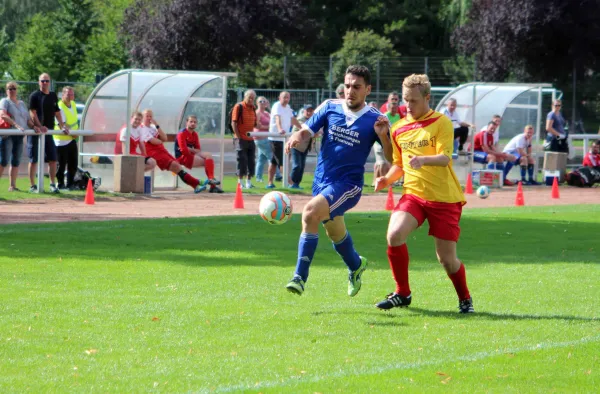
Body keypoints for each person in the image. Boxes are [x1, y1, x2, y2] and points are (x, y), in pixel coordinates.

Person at [283, 65, 393, 297]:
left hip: (349, 186)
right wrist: (296, 135)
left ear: (368, 90)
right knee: (335, 233)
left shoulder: (376, 119)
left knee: (310, 213)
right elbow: (306, 131)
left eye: (356, 87)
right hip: (322, 182)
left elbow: (393, 158)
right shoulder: (330, 107)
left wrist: (383, 136)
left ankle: (299, 277)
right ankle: (356, 266)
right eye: (347, 86)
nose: (350, 91)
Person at [374, 73, 474, 314]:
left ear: (427, 98)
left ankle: (465, 298)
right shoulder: (398, 128)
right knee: (394, 234)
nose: (408, 106)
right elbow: (398, 163)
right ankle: (402, 293)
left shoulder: (442, 122)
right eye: (406, 100)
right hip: (414, 195)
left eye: (414, 101)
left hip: (444, 199)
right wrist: (386, 179)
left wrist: (422, 160)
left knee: (447, 260)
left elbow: (445, 158)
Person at [139, 109, 211, 193]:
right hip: (154, 153)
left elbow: (164, 138)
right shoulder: (142, 128)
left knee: (176, 166)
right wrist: (160, 140)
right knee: (176, 166)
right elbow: (155, 141)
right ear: (142, 117)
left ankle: (195, 185)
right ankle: (197, 182)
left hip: (162, 150)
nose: (149, 118)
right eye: (147, 116)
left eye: (150, 116)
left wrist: (157, 125)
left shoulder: (153, 127)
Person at [28, 73, 68, 193]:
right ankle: (32, 186)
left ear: (49, 82)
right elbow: (32, 113)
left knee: (53, 159)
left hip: (49, 131)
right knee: (33, 159)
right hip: (36, 132)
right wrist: (40, 126)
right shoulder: (34, 96)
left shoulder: (52, 95)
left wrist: (62, 125)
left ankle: (52, 184)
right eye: (42, 81)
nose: (45, 83)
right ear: (38, 82)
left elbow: (57, 112)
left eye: (47, 81)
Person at [0, 82, 39, 191]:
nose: (11, 90)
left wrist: (34, 126)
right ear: (6, 90)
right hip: (8, 134)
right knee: (3, 161)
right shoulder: (4, 101)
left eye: (13, 88)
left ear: (16, 90)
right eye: (9, 88)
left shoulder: (21, 103)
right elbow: (3, 115)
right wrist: (16, 125)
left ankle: (12, 186)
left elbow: (27, 119)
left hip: (19, 135)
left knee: (16, 160)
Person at [175, 115, 223, 193]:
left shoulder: (195, 134)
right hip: (182, 157)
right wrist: (192, 150)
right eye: (191, 122)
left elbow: (198, 150)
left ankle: (211, 179)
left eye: (195, 122)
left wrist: (190, 149)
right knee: (207, 162)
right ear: (186, 122)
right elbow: (184, 151)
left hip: (191, 155)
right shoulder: (181, 133)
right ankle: (212, 186)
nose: (193, 123)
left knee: (208, 155)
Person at [266, 91, 303, 189]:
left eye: (288, 97)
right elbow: (277, 119)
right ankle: (290, 183)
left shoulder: (288, 108)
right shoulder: (276, 106)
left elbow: (293, 119)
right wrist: (279, 129)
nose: (286, 99)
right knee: (282, 161)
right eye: (284, 97)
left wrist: (301, 128)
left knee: (274, 161)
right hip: (275, 138)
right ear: (279, 98)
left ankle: (270, 183)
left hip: (284, 138)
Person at [52, 87, 80, 190]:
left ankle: (70, 183)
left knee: (73, 162)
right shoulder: (60, 106)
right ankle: (60, 184)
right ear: (63, 95)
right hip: (61, 140)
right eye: (68, 94)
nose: (70, 97)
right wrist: (74, 134)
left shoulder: (73, 104)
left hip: (72, 138)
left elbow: (74, 121)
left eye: (72, 94)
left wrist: (76, 133)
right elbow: (63, 124)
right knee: (61, 164)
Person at [473, 121, 514, 186]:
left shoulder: (491, 136)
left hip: (481, 153)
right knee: (492, 157)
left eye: (494, 129)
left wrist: (502, 155)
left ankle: (502, 180)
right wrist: (503, 155)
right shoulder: (483, 134)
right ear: (487, 127)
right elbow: (486, 150)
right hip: (473, 152)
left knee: (500, 159)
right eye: (491, 128)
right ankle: (488, 181)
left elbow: (493, 148)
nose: (492, 130)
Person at [231, 90, 258, 189]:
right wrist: (238, 137)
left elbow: (255, 124)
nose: (251, 100)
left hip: (250, 138)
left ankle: (249, 182)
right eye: (249, 97)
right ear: (245, 97)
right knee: (241, 160)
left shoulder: (253, 108)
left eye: (253, 98)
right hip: (240, 138)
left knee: (251, 160)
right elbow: (233, 123)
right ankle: (240, 182)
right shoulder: (239, 106)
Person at [373, 92, 400, 186]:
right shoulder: (384, 116)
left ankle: (384, 182)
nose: (394, 107)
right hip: (380, 142)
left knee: (389, 163)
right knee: (382, 163)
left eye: (396, 101)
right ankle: (379, 182)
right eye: (392, 101)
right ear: (388, 103)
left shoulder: (398, 117)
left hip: (391, 143)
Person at [289, 104, 315, 188]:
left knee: (302, 166)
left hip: (305, 147)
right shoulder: (300, 120)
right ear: (304, 111)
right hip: (296, 146)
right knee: (297, 165)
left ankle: (297, 184)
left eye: (311, 111)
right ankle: (291, 183)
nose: (309, 112)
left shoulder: (312, 120)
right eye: (307, 110)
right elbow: (303, 131)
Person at [253, 96, 271, 183]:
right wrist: (269, 127)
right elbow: (257, 126)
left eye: (264, 101)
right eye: (260, 101)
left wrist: (267, 127)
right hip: (260, 138)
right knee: (271, 157)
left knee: (261, 159)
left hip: (266, 137)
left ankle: (258, 178)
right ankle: (278, 175)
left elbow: (272, 123)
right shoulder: (257, 113)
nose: (262, 103)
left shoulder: (267, 113)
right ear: (257, 103)